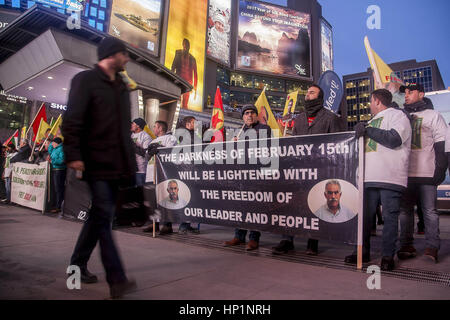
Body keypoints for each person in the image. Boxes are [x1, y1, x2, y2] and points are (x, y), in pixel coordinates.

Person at [62, 37, 137, 299]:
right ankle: (117, 279)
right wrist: (74, 154)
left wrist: (129, 166)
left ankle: (77, 264)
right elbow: (72, 120)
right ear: (111, 54)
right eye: (124, 54)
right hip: (95, 163)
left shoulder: (121, 87)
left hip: (117, 165)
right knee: (104, 218)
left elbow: (123, 132)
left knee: (98, 217)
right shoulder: (85, 81)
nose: (127, 59)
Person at [344, 89, 412, 271]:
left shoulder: (399, 116)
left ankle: (387, 256)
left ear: (376, 100)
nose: (369, 105)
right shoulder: (371, 121)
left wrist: (368, 130)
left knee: (390, 217)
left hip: (390, 175)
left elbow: (394, 139)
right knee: (364, 218)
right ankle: (362, 251)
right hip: (368, 176)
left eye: (370, 101)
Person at [273, 84, 341, 255]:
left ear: (319, 97)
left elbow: (337, 145)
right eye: (307, 93)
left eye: (312, 93)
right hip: (299, 169)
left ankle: (313, 242)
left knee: (315, 205)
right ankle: (287, 239)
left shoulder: (330, 118)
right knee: (291, 204)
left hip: (320, 170)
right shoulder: (300, 118)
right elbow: (295, 142)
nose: (308, 95)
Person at [397, 83, 448, 263]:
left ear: (421, 94)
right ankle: (406, 244)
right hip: (405, 173)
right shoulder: (401, 117)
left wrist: (440, 169)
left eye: (411, 92)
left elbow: (442, 144)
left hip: (427, 172)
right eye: (405, 93)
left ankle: (432, 246)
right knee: (405, 211)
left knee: (429, 211)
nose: (407, 95)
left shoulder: (434, 116)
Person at [224, 104, 271, 251]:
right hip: (241, 174)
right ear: (243, 117)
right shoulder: (239, 132)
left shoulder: (264, 129)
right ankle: (239, 236)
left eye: (252, 113)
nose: (249, 115)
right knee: (240, 205)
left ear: (256, 115)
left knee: (254, 206)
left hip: (256, 173)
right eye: (246, 113)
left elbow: (267, 148)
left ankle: (253, 238)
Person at [142, 121, 177, 234]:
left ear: (160, 128)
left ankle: (167, 225)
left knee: (165, 199)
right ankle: (154, 224)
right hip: (151, 173)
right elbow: (147, 156)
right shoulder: (152, 140)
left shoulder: (170, 138)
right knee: (153, 201)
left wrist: (160, 147)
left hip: (163, 173)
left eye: (155, 126)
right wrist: (149, 152)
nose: (153, 129)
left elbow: (171, 151)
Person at [171, 39, 198, 109]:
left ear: (189, 47)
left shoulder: (193, 59)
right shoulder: (178, 53)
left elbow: (195, 74)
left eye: (187, 46)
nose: (186, 48)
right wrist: (171, 80)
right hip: (178, 82)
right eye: (185, 45)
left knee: (185, 104)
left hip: (187, 84)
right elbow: (173, 67)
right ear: (183, 45)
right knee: (177, 101)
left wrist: (195, 89)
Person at [131, 118, 152, 187]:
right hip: (130, 170)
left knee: (139, 192)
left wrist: (132, 145)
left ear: (138, 126)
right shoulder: (131, 135)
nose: (131, 125)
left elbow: (145, 153)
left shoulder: (145, 136)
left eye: (133, 124)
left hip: (140, 170)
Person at [47, 137, 66, 213]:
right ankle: (56, 205)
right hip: (55, 170)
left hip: (60, 170)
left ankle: (59, 206)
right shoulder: (55, 149)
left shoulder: (61, 149)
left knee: (59, 189)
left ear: (57, 143)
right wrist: (51, 144)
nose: (52, 144)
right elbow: (49, 150)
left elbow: (62, 160)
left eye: (53, 143)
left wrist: (52, 161)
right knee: (56, 189)